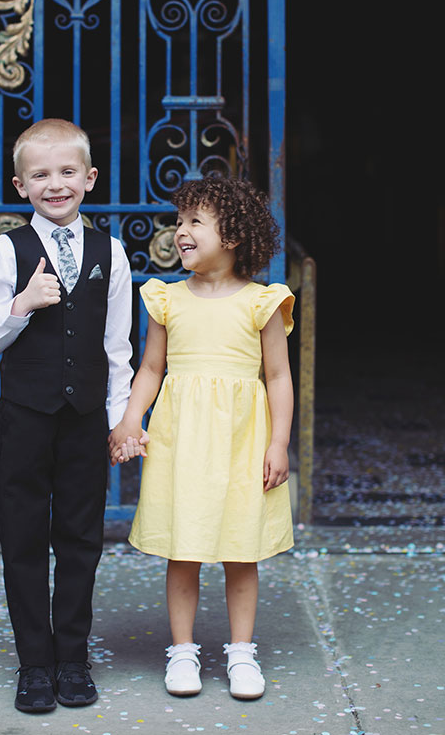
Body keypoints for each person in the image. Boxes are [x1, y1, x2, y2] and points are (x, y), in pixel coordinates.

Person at [109, 174, 295, 701]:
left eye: (195, 222)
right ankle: (183, 651)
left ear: (232, 235)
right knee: (183, 547)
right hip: (182, 441)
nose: (180, 231)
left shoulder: (263, 302)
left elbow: (278, 378)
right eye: (179, 221)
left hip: (241, 440)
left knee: (241, 550)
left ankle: (241, 653)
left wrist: (278, 443)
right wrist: (129, 419)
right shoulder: (167, 299)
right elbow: (150, 368)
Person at [0, 118, 133, 713]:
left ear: (89, 178)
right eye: (40, 174)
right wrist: (20, 305)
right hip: (25, 418)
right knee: (22, 537)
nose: (55, 184)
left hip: (84, 418)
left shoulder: (110, 252)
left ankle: (72, 658)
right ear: (21, 186)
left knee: (79, 538)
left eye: (67, 172)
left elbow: (117, 349)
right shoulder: (7, 249)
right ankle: (34, 664)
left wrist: (120, 420)